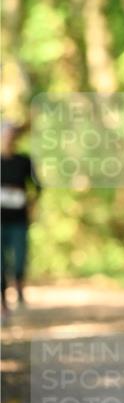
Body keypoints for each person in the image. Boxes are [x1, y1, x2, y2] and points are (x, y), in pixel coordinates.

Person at [1, 121, 41, 320]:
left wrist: (31, 203)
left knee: (18, 262)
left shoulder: (24, 161)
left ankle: (19, 284)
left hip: (19, 220)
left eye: (12, 135)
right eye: (5, 135)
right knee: (0, 265)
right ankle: (3, 305)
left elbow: (38, 186)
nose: (8, 139)